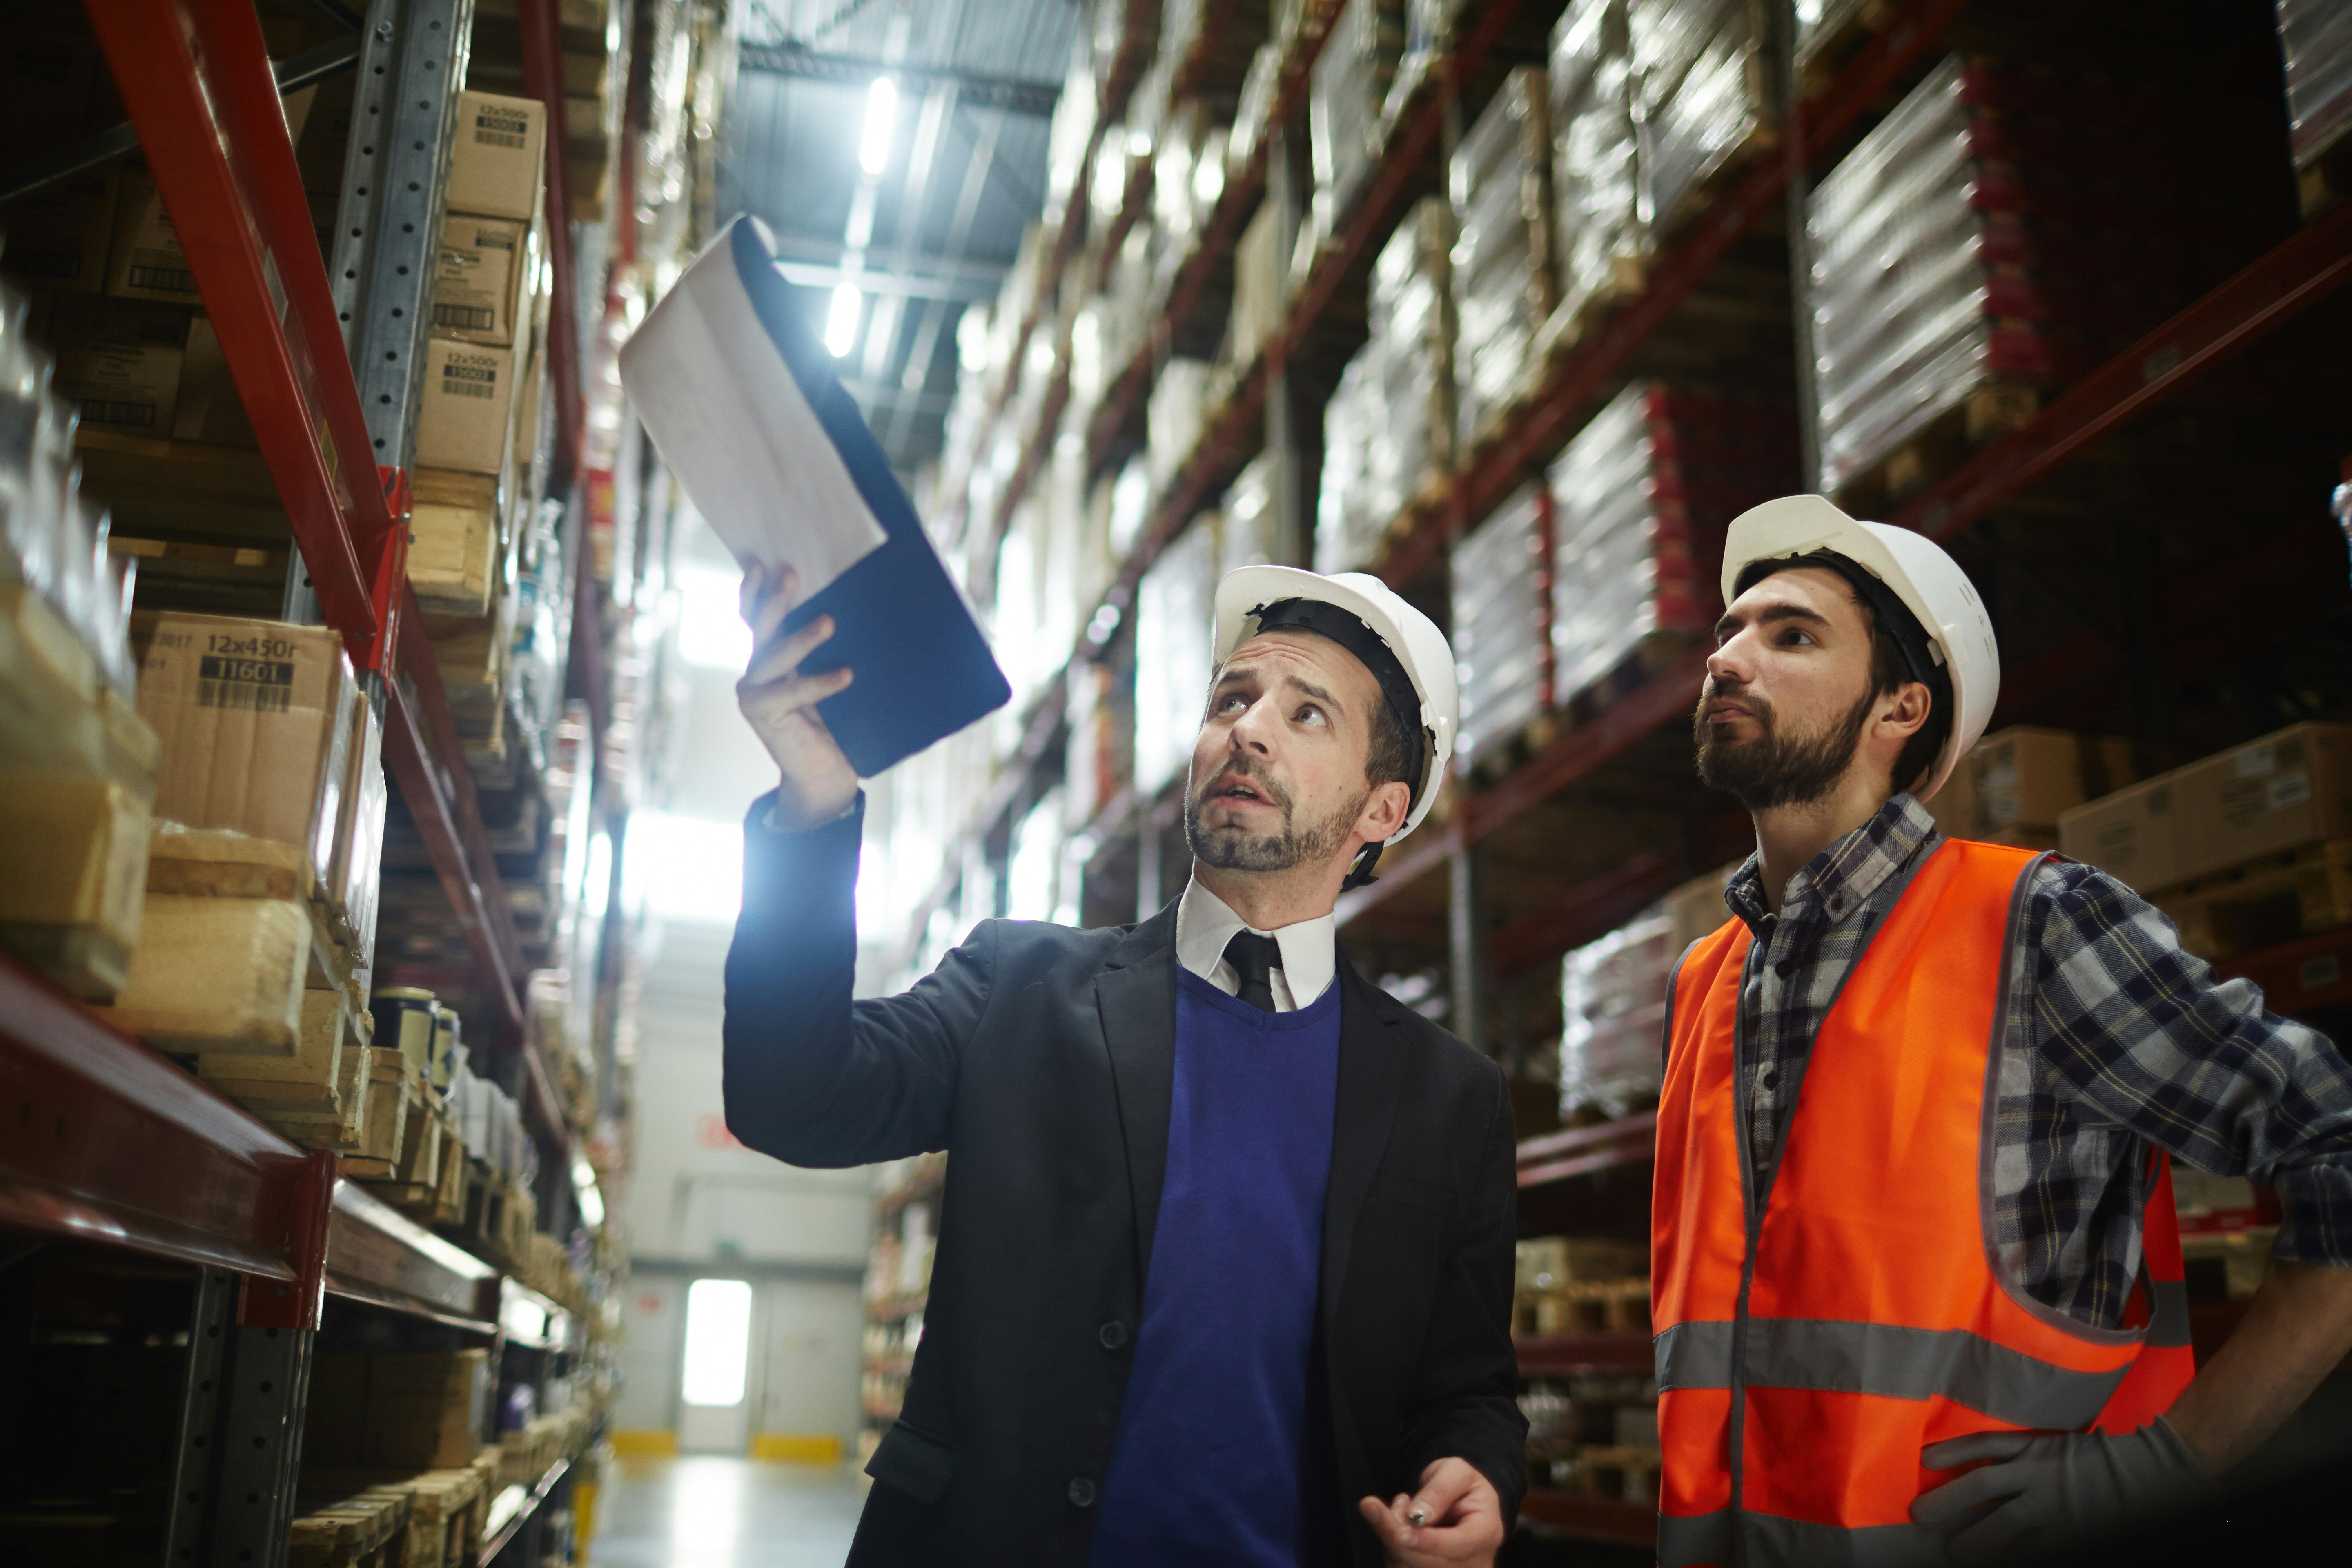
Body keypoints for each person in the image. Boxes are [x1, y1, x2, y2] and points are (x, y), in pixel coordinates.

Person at [722, 561, 1526, 1567]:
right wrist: (812, 804)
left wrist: (1478, 1471)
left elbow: (1468, 1387)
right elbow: (793, 1099)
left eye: (1308, 714)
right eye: (1232, 697)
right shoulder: (1018, 987)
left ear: (1380, 810)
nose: (1248, 727)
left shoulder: (1448, 1098)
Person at [1651, 494, 2352, 1566]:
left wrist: (2166, 1466)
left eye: (1789, 634)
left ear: (1900, 708)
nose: (1730, 659)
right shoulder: (1707, 981)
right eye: (1728, 632)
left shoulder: (2036, 925)